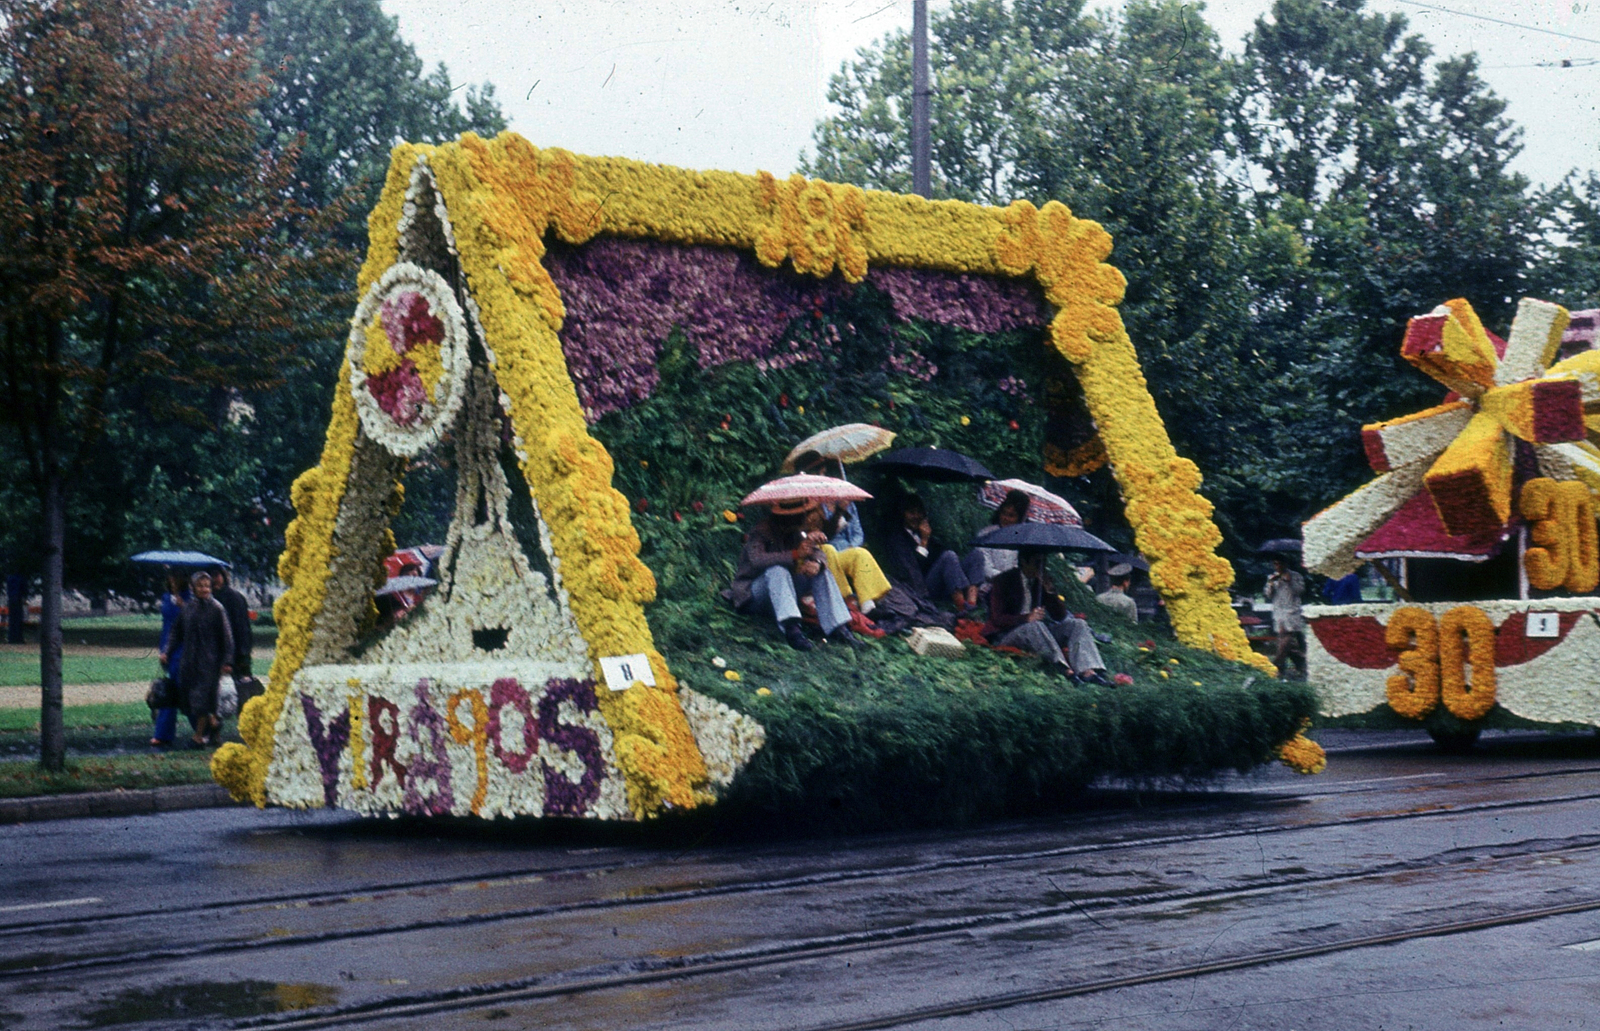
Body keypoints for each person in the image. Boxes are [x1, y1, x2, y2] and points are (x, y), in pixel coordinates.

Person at [727, 498, 860, 651]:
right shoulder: (762, 530)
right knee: (776, 570)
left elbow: (817, 553)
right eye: (793, 514)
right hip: (754, 596)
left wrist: (816, 562)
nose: (798, 518)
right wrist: (795, 554)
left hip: (783, 594)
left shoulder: (796, 531)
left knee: (821, 571)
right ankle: (792, 629)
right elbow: (757, 560)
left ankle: (838, 627)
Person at [984, 548, 1113, 685]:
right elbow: (997, 618)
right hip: (1007, 634)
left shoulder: (1039, 582)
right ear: (1024, 562)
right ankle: (1064, 669)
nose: (1041, 568)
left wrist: (1050, 590)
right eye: (1037, 563)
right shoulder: (1004, 580)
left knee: (1077, 624)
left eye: (1043, 563)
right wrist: (1026, 618)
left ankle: (1088, 671)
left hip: (1037, 633)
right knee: (1034, 625)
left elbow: (1060, 616)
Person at [161, 571, 233, 746]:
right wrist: (166, 652)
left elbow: (227, 638)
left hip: (210, 663)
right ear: (193, 588)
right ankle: (214, 726)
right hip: (189, 661)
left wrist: (227, 661)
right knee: (191, 699)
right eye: (200, 586)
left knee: (202, 700)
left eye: (207, 586)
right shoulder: (187, 608)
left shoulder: (217, 608)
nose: (204, 589)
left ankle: (198, 737)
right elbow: (176, 632)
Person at [883, 494, 977, 611]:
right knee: (949, 556)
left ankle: (972, 603)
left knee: (976, 555)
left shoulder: (924, 532)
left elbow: (942, 554)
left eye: (919, 512)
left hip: (942, 581)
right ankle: (962, 608)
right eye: (911, 513)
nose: (916, 516)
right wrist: (924, 542)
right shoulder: (897, 539)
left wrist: (927, 537)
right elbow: (912, 570)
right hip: (920, 588)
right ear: (903, 514)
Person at [151, 570, 189, 748]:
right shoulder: (166, 597)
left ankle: (203, 728)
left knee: (182, 688)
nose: (173, 579)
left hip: (184, 648)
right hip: (167, 648)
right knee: (168, 689)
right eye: (171, 576)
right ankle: (163, 733)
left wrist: (183, 606)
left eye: (177, 576)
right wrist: (164, 650)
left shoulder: (190, 598)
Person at [963, 489, 1029, 588]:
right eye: (1004, 513)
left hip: (1014, 587)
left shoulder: (1024, 539)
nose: (1005, 518)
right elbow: (985, 566)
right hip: (987, 585)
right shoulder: (986, 534)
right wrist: (1005, 579)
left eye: (1011, 515)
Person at [1264, 556, 1307, 678]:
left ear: (1285, 564)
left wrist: (1289, 581)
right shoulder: (1272, 577)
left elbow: (1300, 591)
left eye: (1279, 563)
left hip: (1292, 612)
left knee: (1286, 639)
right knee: (1287, 643)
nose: (1277, 566)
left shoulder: (1296, 576)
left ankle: (1276, 664)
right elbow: (1268, 595)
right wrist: (1271, 584)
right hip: (1278, 612)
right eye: (1275, 563)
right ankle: (1301, 663)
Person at [211, 567, 253, 679]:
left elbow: (242, 629)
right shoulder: (208, 599)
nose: (214, 580)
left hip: (235, 655)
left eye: (216, 575)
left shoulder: (234, 598)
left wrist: (243, 657)